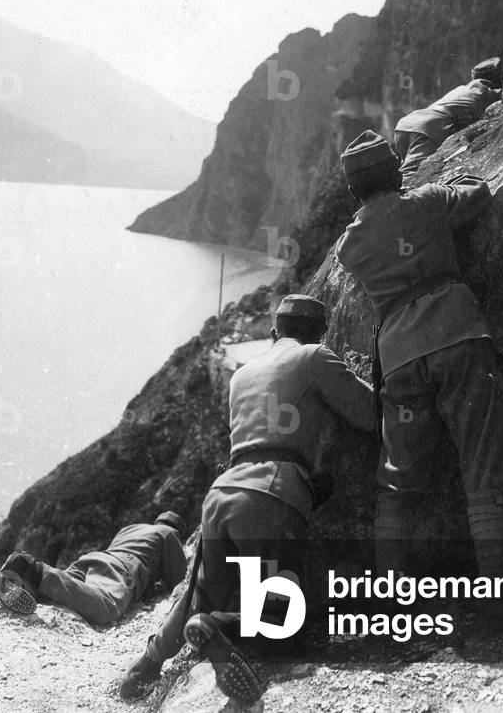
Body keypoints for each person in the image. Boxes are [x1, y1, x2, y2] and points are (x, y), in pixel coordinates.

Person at [120, 294, 375, 704]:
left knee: (199, 593)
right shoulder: (315, 356)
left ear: (274, 332)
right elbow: (368, 413)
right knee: (283, 625)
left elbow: (263, 436)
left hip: (222, 496)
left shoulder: (242, 373)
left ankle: (144, 666)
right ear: (320, 333)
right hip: (272, 497)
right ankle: (220, 626)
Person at [334, 130, 503, 599]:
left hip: (399, 358)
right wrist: (462, 174)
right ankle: (501, 603)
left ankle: (391, 602)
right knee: (481, 466)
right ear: (395, 171)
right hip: (458, 334)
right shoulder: (427, 201)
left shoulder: (349, 247)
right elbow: (477, 193)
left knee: (397, 481)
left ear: (354, 189)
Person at [0, 511, 187, 626]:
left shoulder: (132, 528)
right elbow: (179, 580)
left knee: (64, 593)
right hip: (123, 568)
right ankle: (32, 569)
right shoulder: (169, 534)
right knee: (106, 607)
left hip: (97, 559)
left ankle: (22, 584)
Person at [393, 57, 503, 175]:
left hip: (406, 124)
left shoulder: (461, 89)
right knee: (411, 176)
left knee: (402, 174)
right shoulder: (484, 91)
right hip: (428, 128)